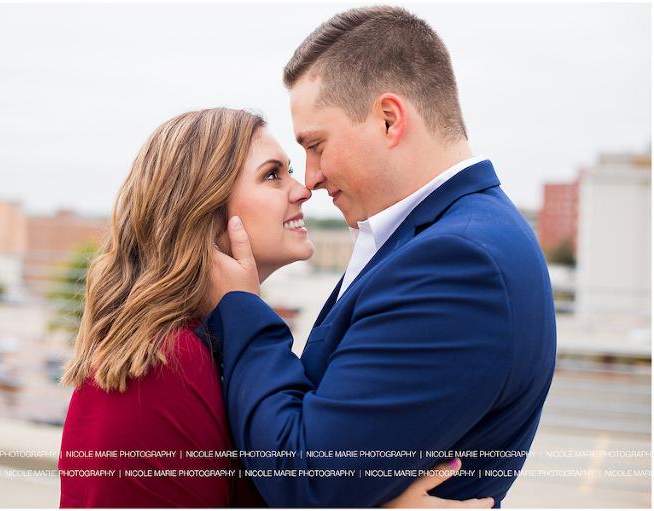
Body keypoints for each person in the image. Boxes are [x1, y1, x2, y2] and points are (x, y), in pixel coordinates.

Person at [202, 5, 557, 508]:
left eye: (316, 145)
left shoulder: (458, 263)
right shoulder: (444, 237)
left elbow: (309, 479)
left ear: (390, 120)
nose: (311, 178)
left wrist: (242, 310)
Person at [58, 107, 491, 508]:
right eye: (272, 175)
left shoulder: (204, 346)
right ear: (203, 210)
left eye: (289, 172)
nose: (302, 190)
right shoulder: (166, 362)